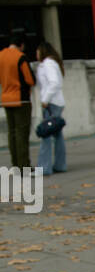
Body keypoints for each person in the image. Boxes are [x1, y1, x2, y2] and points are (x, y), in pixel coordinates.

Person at [0, 28, 35, 170]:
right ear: (21, 44)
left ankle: (15, 164)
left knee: (12, 132)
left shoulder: (1, 56)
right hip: (21, 99)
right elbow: (30, 80)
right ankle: (24, 166)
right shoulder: (21, 57)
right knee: (22, 133)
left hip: (6, 98)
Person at [35, 42, 67, 174]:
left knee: (46, 135)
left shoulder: (47, 64)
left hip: (51, 104)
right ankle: (60, 165)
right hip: (56, 102)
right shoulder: (53, 63)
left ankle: (44, 168)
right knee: (57, 135)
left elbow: (53, 83)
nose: (36, 54)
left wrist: (45, 100)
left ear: (42, 51)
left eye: (37, 51)